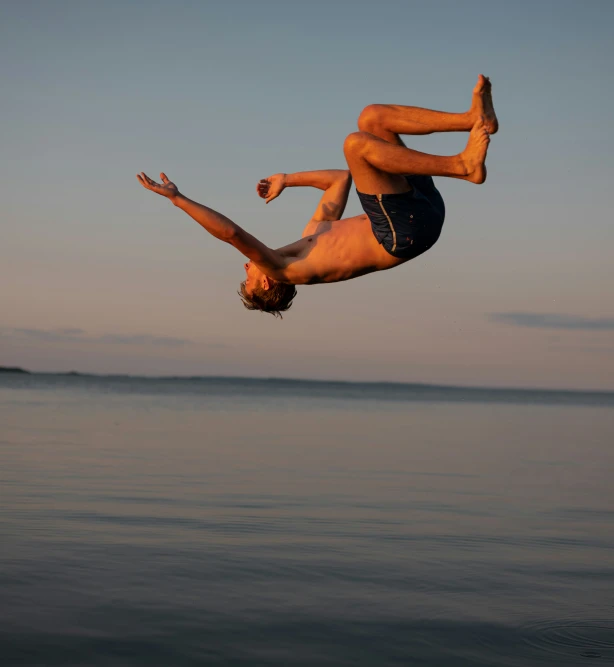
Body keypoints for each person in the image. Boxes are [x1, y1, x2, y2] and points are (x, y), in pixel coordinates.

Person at [137, 75, 497, 318]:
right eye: (248, 274)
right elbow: (231, 234)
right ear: (265, 281)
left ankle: (470, 120)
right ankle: (461, 166)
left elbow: (338, 181)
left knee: (371, 119)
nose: (248, 266)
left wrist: (287, 179)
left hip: (419, 216)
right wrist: (177, 199)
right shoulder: (283, 269)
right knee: (355, 145)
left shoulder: (311, 243)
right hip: (403, 233)